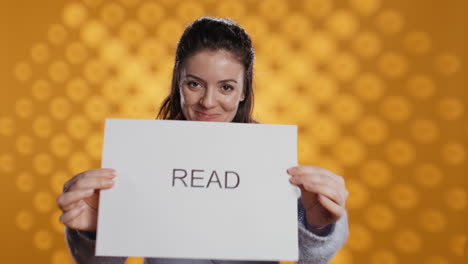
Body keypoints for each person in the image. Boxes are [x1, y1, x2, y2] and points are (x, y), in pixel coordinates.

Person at [57, 17, 349, 264]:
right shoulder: (141, 158)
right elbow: (101, 260)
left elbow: (309, 255)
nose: (208, 102)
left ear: (243, 91)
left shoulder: (271, 162)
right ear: (178, 83)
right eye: (194, 83)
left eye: (226, 87)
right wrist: (97, 232)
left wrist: (318, 226)